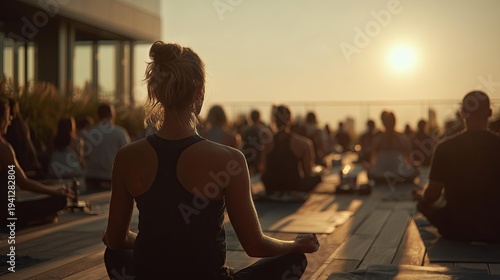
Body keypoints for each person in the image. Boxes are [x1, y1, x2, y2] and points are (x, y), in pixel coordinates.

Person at [102, 41, 319, 279]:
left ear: (156, 90)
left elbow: (115, 239)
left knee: (113, 254)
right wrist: (295, 244)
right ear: (199, 92)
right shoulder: (230, 159)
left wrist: (147, 240)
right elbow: (255, 246)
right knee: (294, 259)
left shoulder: (127, 156)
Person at [412, 91, 500, 242]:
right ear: (490, 112)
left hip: (456, 227)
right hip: (495, 228)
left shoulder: (445, 147)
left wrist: (421, 195)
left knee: (423, 205)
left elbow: (432, 195)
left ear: (462, 113)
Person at [0, 97, 73, 229]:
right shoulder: (3, 148)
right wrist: (55, 191)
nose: (10, 121)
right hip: (6, 212)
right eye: (8, 117)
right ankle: (32, 221)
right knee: (60, 200)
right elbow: (23, 183)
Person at [260, 105, 322, 200]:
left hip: (272, 185)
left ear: (274, 120)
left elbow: (263, 169)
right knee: (319, 177)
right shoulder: (304, 143)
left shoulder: (266, 143)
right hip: (294, 185)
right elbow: (308, 171)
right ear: (290, 120)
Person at [83, 103, 130, 191]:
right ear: (112, 114)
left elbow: (85, 156)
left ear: (98, 115)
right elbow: (127, 157)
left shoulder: (89, 132)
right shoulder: (120, 133)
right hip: (109, 178)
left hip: (91, 177)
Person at [367, 111, 418, 185]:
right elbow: (408, 160)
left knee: (369, 172)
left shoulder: (377, 140)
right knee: (416, 171)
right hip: (399, 175)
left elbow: (372, 161)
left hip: (380, 176)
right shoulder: (403, 139)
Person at [5, 98, 41, 174]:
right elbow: (28, 144)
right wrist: (35, 160)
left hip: (11, 165)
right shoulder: (21, 126)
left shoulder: (8, 129)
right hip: (22, 162)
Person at [240, 109, 272, 175]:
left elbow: (243, 145)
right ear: (259, 117)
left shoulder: (245, 130)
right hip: (258, 158)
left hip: (248, 158)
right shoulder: (262, 130)